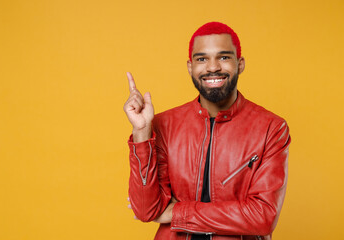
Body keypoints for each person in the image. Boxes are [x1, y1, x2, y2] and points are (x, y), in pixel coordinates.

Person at [123, 22, 290, 240]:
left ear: (240, 64)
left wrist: (177, 212)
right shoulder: (164, 124)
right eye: (202, 59)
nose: (212, 68)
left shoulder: (271, 128)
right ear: (190, 67)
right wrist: (142, 131)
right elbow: (146, 210)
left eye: (223, 57)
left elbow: (263, 217)